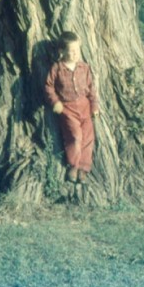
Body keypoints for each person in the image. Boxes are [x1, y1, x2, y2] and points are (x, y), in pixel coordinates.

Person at [44, 31, 99, 184]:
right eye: (72, 50)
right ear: (62, 51)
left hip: (85, 107)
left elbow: (91, 88)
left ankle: (84, 168)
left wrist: (94, 105)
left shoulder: (84, 67)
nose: (76, 53)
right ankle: (73, 165)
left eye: (77, 50)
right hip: (67, 109)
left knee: (88, 138)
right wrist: (55, 102)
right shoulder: (57, 68)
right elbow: (48, 87)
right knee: (75, 137)